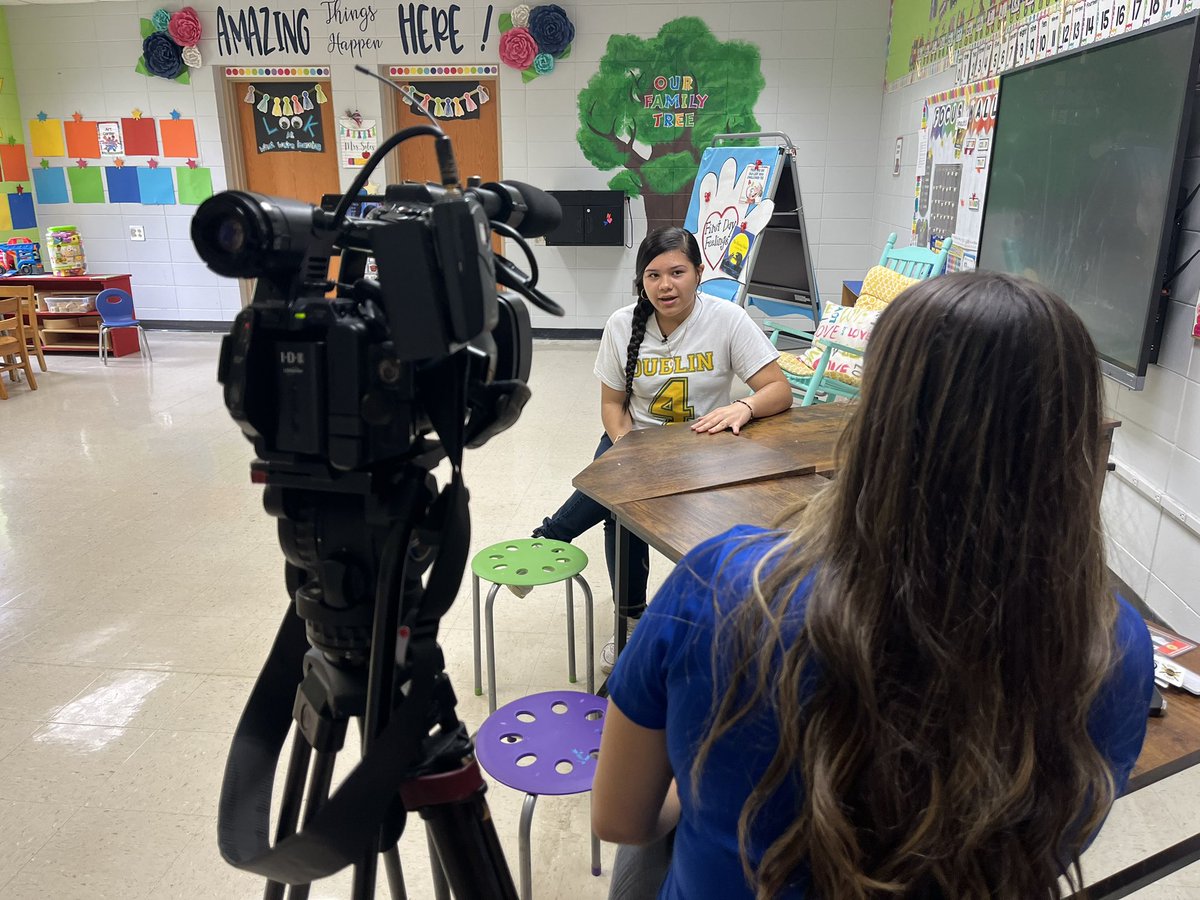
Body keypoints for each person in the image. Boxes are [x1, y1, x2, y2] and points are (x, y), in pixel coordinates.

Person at [592, 271, 1155, 899]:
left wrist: (698, 789)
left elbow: (619, 817)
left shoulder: (724, 585)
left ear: (876, 416)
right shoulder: (1113, 646)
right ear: (1073, 438)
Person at [531, 226, 792, 673]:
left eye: (677, 272)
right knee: (621, 507)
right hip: (634, 440)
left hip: (704, 447)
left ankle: (549, 539)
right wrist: (631, 449)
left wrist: (744, 406)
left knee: (618, 496)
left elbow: (778, 389)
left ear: (699, 272)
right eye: (653, 275)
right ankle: (631, 621)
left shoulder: (727, 318)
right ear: (641, 281)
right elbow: (613, 406)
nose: (665, 285)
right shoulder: (621, 324)